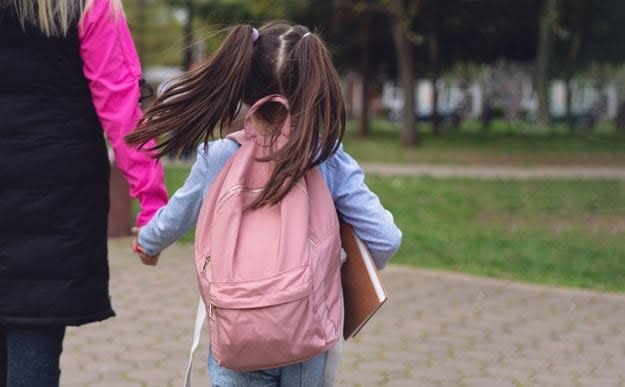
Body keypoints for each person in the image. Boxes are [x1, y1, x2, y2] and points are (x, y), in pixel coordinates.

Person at [126, 22, 402, 386]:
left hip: (237, 331)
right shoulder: (326, 158)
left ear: (241, 82)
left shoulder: (218, 156)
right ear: (314, 87)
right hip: (308, 333)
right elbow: (385, 238)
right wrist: (338, 278)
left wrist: (148, 243)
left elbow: (177, 216)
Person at [0, 0, 168, 386]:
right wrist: (153, 203)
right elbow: (123, 106)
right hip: (53, 203)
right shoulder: (89, 5)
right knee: (34, 330)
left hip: (47, 199)